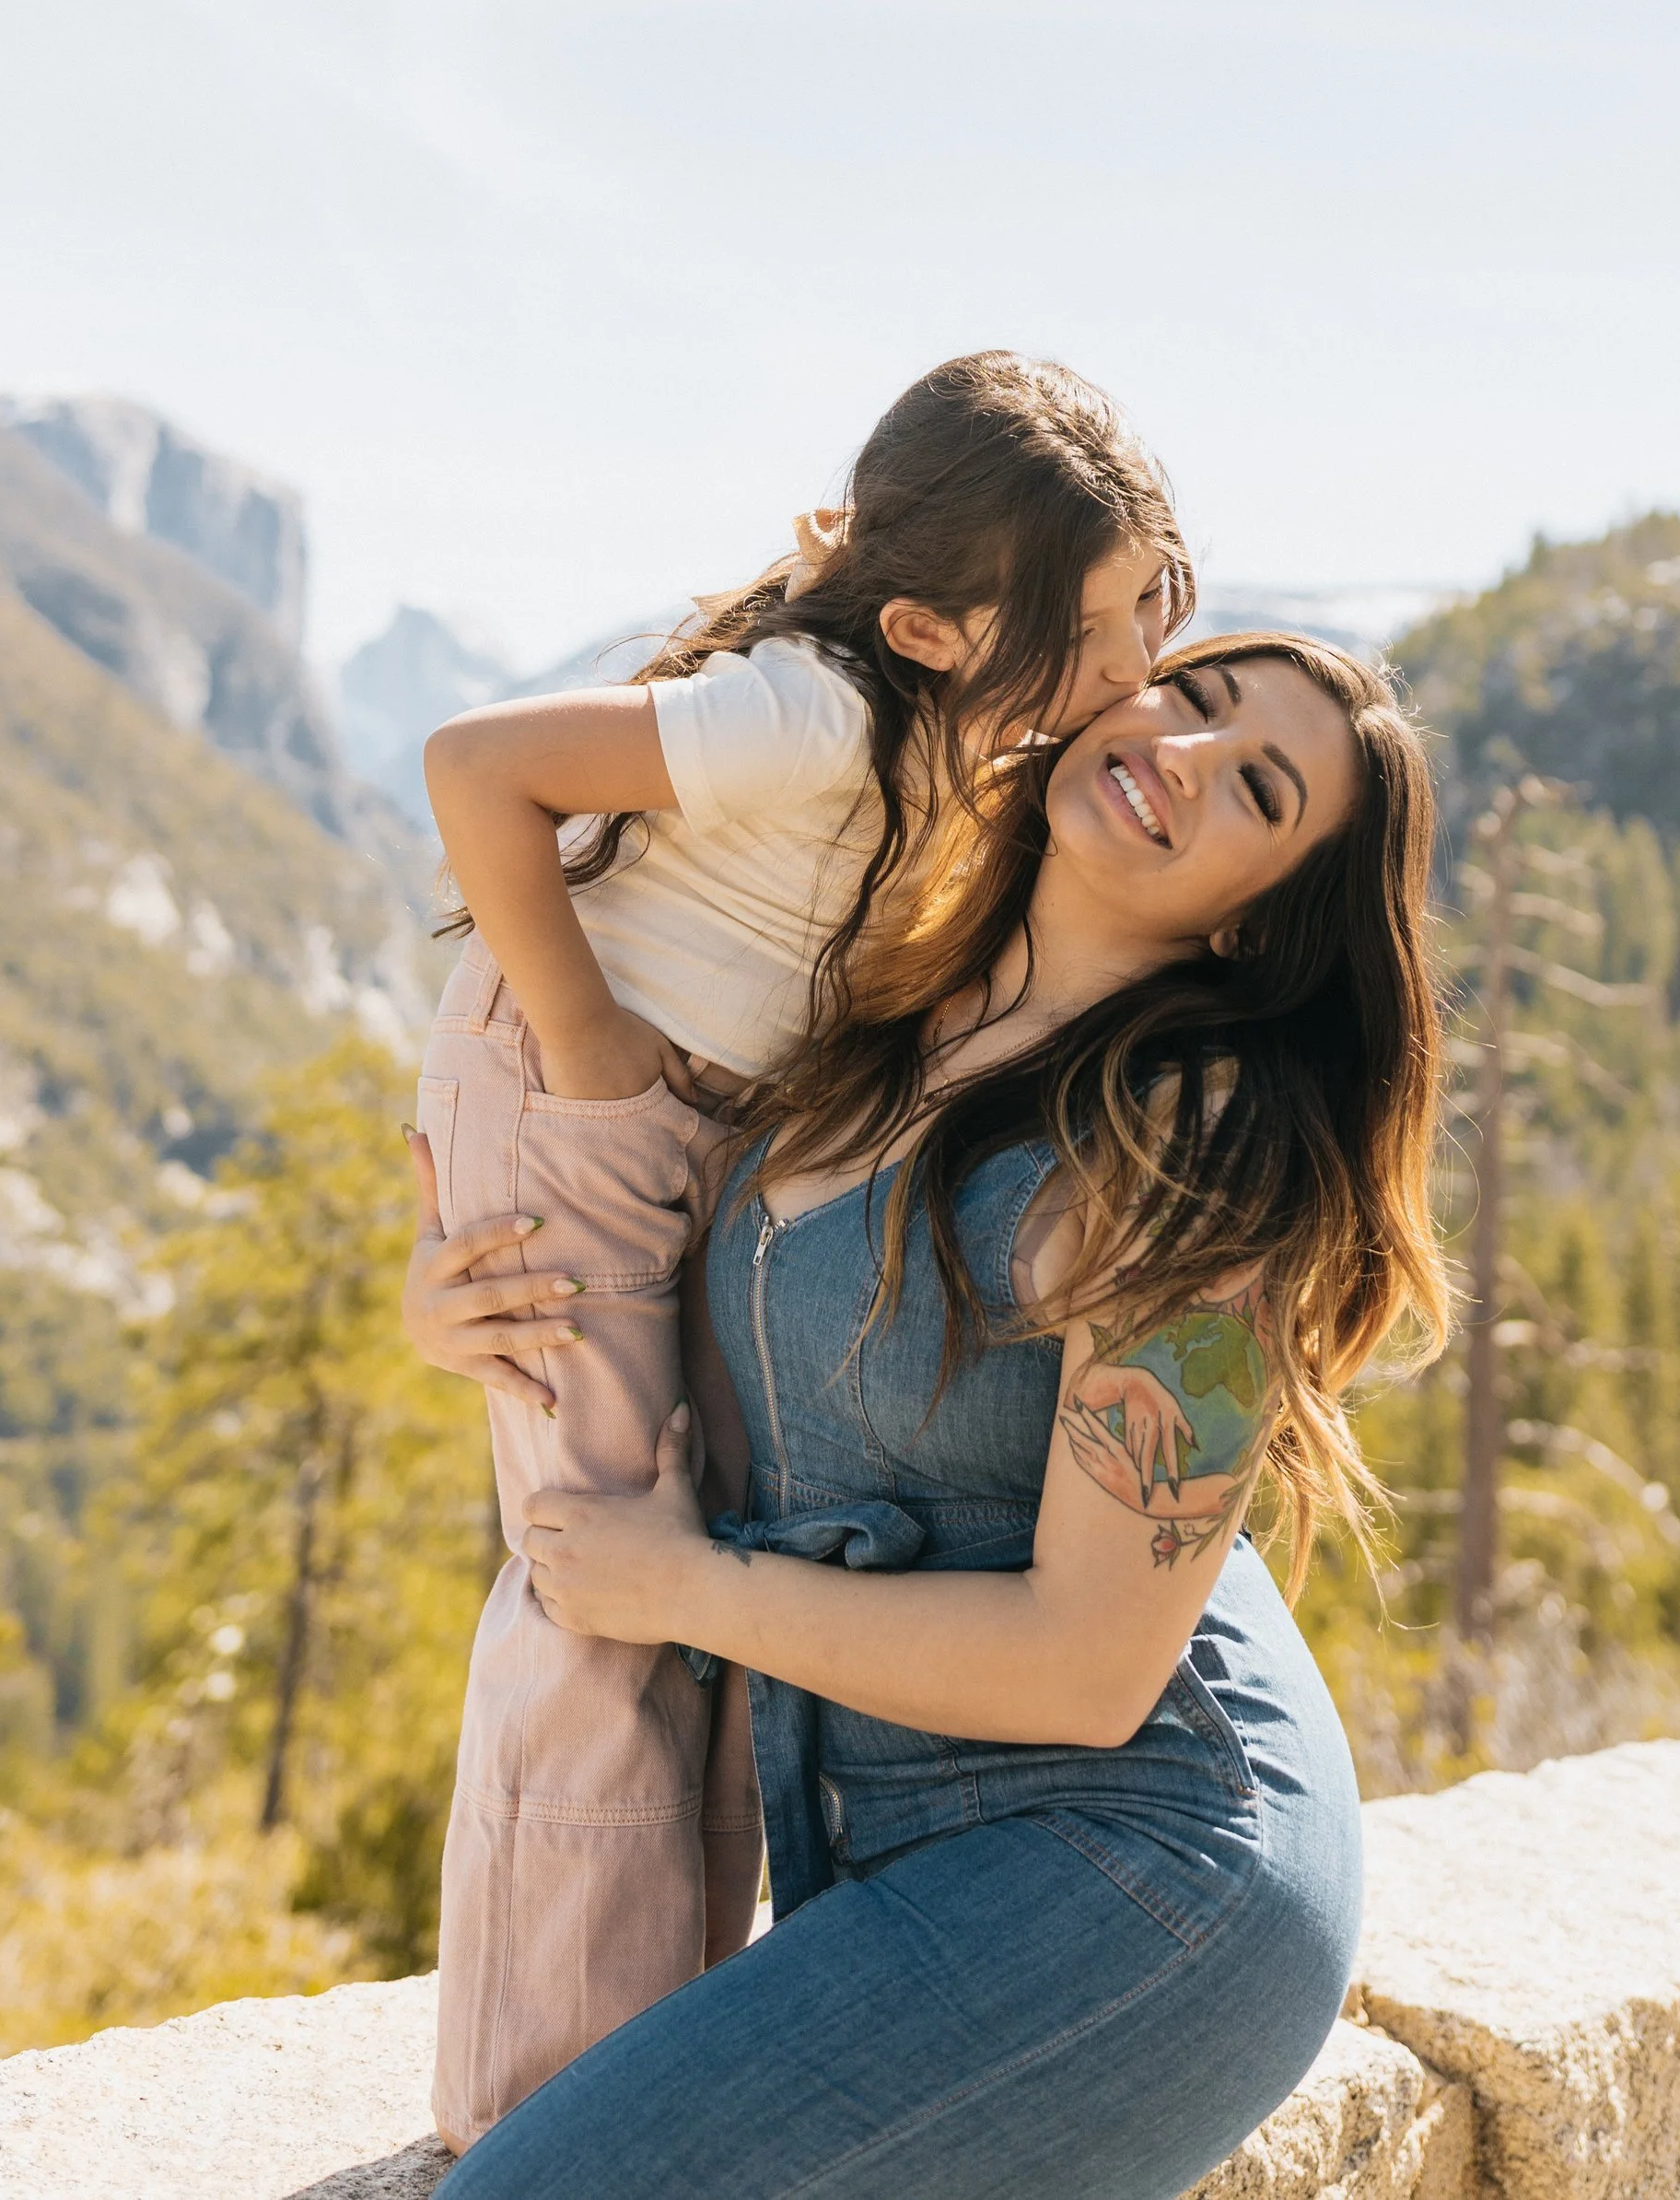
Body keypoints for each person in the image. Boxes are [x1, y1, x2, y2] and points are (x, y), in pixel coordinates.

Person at [415, 625, 1450, 2200]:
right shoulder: (885, 998)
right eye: (1195, 693)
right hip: (893, 1839)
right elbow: (652, 1210)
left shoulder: (1194, 1157)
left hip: (1148, 1859)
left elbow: (1094, 1666)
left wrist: (688, 1589)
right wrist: (460, 1291)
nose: (1176, 747)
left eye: (1253, 785)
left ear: (1259, 926)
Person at [407, 352, 1194, 2147]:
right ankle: (542, 2114)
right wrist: (584, 1043)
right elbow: (478, 770)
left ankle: (663, 2038)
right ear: (925, 626)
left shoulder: (960, 723)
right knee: (599, 1583)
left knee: (690, 1568)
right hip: (596, 1092)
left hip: (665, 1119)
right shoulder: (820, 714)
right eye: (1084, 635)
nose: (1130, 671)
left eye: (1148, 601)